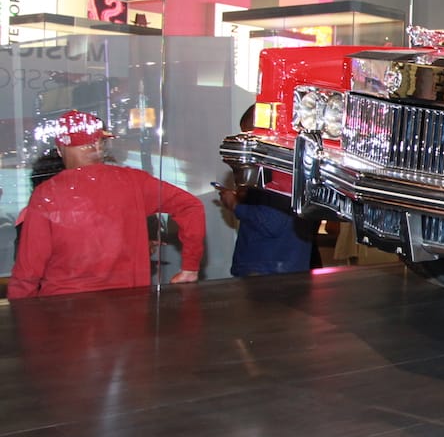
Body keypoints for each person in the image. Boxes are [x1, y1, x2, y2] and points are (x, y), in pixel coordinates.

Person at [8, 110, 205, 298]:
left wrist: (20, 318)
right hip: (129, 308)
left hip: (64, 310)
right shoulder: (135, 182)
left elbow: (28, 270)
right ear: (99, 145)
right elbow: (191, 206)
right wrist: (190, 267)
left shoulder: (47, 193)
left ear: (60, 150)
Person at [215, 108, 317, 276]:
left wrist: (235, 205)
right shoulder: (297, 163)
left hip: (266, 269)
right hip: (290, 265)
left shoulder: (276, 167)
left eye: (248, 134)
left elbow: (272, 222)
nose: (246, 142)